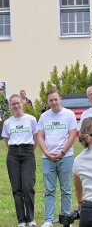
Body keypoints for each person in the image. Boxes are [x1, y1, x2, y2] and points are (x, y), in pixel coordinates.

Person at [36, 88, 78, 227]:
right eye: (51, 100)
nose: (54, 102)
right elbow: (40, 136)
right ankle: (48, 220)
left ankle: (66, 219)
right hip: (47, 158)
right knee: (49, 190)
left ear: (60, 99)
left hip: (65, 157)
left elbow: (72, 135)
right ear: (48, 102)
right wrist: (47, 152)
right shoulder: (44, 117)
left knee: (66, 189)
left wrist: (62, 152)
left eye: (55, 99)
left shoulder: (69, 114)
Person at [1, 94, 38, 227]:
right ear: (10, 106)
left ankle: (30, 218)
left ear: (22, 103)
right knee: (16, 189)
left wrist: (28, 150)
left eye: (18, 103)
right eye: (13, 104)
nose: (16, 106)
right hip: (13, 155)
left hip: (28, 153)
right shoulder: (7, 122)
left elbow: (36, 138)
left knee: (28, 187)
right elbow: (6, 140)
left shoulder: (31, 120)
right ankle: (21, 220)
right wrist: (15, 150)